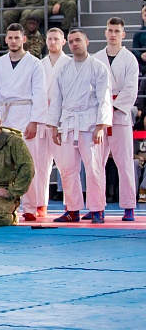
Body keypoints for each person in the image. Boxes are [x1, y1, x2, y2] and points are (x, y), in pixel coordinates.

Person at [46, 29, 112, 224]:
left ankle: (97, 209)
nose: (74, 44)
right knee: (67, 169)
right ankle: (72, 209)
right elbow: (56, 99)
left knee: (93, 168)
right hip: (67, 123)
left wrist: (100, 126)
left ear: (86, 41)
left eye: (78, 40)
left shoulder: (98, 67)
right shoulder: (64, 69)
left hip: (90, 124)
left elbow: (104, 98)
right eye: (71, 41)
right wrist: (54, 125)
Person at [0, 23, 47, 221]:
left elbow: (39, 94)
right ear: (6, 39)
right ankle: (6, 205)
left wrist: (35, 121)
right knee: (4, 166)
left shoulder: (34, 63)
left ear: (24, 39)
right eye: (10, 38)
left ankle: (30, 206)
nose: (13, 41)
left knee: (27, 163)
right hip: (4, 116)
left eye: (16, 38)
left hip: (26, 114)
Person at [93, 17, 139, 221]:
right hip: (99, 119)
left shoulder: (130, 59)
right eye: (110, 30)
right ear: (105, 32)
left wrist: (110, 107)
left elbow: (131, 89)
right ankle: (97, 206)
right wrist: (102, 110)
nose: (113, 34)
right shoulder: (96, 58)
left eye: (117, 31)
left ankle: (129, 206)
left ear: (123, 34)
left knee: (125, 162)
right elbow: (91, 88)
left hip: (120, 116)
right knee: (96, 163)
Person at [35, 28, 71, 218]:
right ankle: (40, 203)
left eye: (56, 39)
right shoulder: (39, 64)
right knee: (40, 165)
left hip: (61, 120)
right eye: (50, 39)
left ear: (63, 41)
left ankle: (70, 205)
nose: (53, 42)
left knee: (66, 165)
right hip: (42, 120)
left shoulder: (70, 64)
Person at [132, 4, 146, 75]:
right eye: (145, 15)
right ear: (142, 16)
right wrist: (141, 55)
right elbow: (134, 50)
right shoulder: (138, 33)